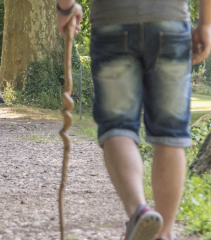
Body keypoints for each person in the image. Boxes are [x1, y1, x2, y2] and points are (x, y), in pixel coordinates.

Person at [57, 0, 211, 240]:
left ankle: (139, 211)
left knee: (117, 126)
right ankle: (164, 234)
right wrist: (206, 22)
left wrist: (65, 8)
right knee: (170, 132)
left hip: (112, 20)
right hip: (170, 20)